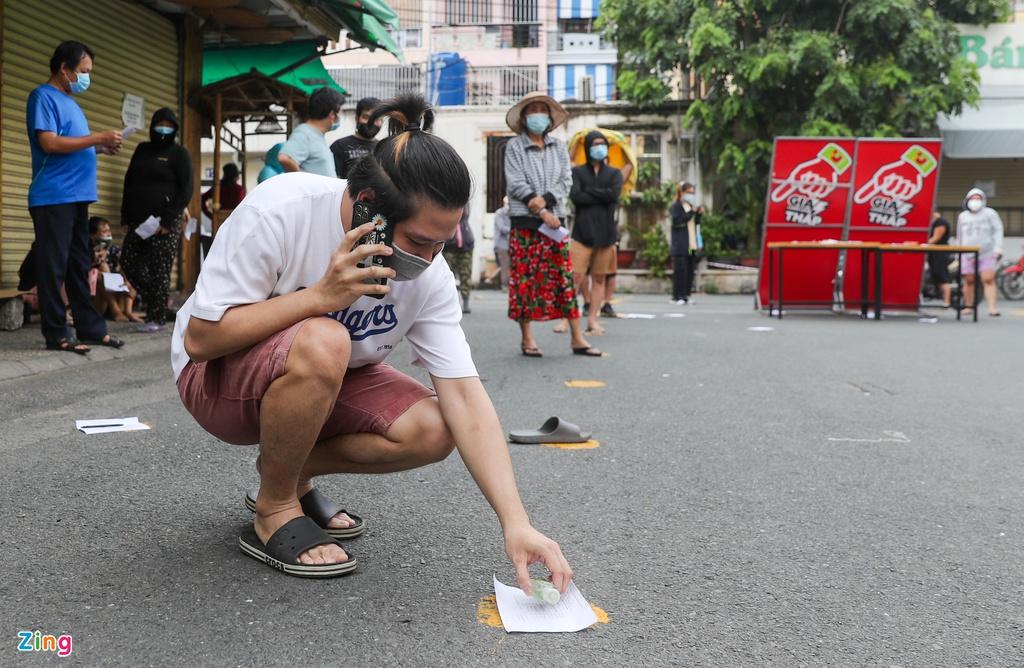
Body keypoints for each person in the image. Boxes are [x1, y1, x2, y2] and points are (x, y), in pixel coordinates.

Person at [172, 93, 574, 591]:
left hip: (327, 378)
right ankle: (274, 509)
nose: (431, 259)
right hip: (217, 383)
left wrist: (516, 522)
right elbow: (201, 339)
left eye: (442, 242)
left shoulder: (431, 275)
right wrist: (318, 297)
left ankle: (287, 474)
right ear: (369, 207)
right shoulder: (282, 209)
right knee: (325, 337)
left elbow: (466, 396)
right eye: (420, 242)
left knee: (433, 427)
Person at [26, 41, 125, 354]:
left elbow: (73, 144)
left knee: (79, 266)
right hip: (54, 196)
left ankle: (91, 328)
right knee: (53, 267)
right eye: (83, 72)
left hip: (79, 196)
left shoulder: (70, 101)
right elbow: (50, 143)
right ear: (64, 69)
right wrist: (97, 136)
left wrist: (99, 147)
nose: (87, 78)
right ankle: (56, 333)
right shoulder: (43, 96)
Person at [503, 92, 600, 358]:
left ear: (549, 118)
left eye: (542, 110)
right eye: (532, 110)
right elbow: (515, 183)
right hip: (525, 224)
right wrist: (542, 211)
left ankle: (577, 337)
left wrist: (547, 205)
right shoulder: (514, 147)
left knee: (564, 278)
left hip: (555, 223)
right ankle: (527, 338)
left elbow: (566, 181)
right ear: (524, 117)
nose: (538, 114)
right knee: (525, 280)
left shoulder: (558, 147)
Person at [120, 108, 194, 333]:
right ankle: (156, 299)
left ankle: (156, 317)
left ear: (175, 128)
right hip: (139, 223)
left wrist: (168, 221)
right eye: (160, 123)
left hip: (164, 225)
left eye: (169, 125)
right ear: (152, 125)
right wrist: (126, 216)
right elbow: (129, 182)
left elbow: (186, 190)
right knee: (128, 261)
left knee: (159, 269)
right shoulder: (142, 149)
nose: (164, 128)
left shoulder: (179, 154)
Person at [569, 131, 623, 336]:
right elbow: (576, 197)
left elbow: (614, 195)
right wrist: (601, 194)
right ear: (588, 147)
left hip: (606, 234)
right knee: (575, 276)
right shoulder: (578, 172)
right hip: (582, 234)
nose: (599, 147)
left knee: (599, 278)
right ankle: (568, 320)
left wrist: (589, 191)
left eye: (602, 144)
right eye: (595, 144)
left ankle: (593, 319)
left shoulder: (614, 173)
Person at [957, 188, 1004, 316]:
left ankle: (992, 308)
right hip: (967, 253)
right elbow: (959, 235)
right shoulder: (963, 216)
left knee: (988, 279)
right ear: (967, 200)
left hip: (986, 252)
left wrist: (998, 248)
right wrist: (958, 253)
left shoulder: (990, 213)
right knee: (968, 280)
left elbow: (998, 231)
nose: (975, 201)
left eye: (978, 198)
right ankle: (968, 306)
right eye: (973, 198)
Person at [278, 87, 344, 177]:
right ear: (332, 115)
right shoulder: (304, 133)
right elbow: (285, 158)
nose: (340, 116)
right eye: (340, 111)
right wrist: (302, 180)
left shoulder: (317, 135)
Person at [89, 216, 140, 322]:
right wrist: (96, 259)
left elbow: (124, 269)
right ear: (92, 235)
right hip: (98, 302)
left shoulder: (114, 250)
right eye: (104, 231)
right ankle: (116, 312)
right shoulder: (86, 253)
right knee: (100, 272)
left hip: (117, 298)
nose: (109, 234)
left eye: (109, 231)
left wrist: (128, 282)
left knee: (128, 279)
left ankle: (128, 312)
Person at [669, 182, 704, 304]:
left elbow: (695, 223)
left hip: (691, 245)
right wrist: (692, 213)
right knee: (680, 270)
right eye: (689, 192)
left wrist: (698, 214)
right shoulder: (676, 206)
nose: (691, 195)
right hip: (680, 245)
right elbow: (679, 221)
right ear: (682, 192)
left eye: (692, 193)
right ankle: (677, 296)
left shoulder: (690, 206)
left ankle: (686, 295)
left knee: (689, 269)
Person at [330, 97, 382, 179]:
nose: (371, 123)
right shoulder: (339, 146)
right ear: (357, 118)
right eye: (366, 117)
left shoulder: (383, 148)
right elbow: (333, 180)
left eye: (376, 119)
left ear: (381, 121)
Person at [442, 203, 475, 313]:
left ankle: (466, 302)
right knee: (447, 276)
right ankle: (447, 303)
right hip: (449, 246)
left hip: (465, 245)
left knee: (466, 274)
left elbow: (465, 214)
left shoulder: (464, 205)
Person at [926, 210, 952, 308]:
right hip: (934, 253)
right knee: (936, 275)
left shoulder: (941, 222)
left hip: (940, 253)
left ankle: (947, 301)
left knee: (941, 275)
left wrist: (922, 242)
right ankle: (943, 299)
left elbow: (935, 238)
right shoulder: (934, 223)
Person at [489, 196, 512, 288]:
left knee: (509, 265)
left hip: (510, 243)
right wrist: (514, 229)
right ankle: (504, 285)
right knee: (504, 265)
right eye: (507, 203)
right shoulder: (499, 213)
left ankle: (509, 284)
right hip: (502, 244)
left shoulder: (511, 213)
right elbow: (502, 228)